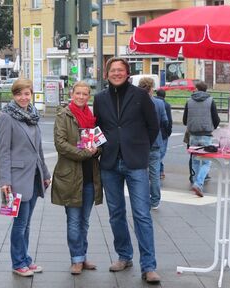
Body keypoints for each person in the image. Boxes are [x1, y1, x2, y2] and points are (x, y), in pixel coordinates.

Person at [93, 57, 161, 284]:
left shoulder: (141, 96)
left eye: (120, 70)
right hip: (110, 163)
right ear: (106, 74)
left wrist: (140, 148)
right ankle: (124, 256)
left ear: (127, 73)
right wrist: (103, 148)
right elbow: (96, 128)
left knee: (142, 214)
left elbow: (154, 126)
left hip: (135, 162)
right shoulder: (100, 98)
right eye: (112, 70)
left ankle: (149, 266)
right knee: (116, 214)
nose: (116, 73)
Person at [0, 78, 51, 277]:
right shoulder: (7, 117)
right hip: (17, 178)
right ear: (14, 95)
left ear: (32, 94)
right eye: (19, 94)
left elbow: (38, 149)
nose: (23, 97)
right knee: (20, 224)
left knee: (27, 223)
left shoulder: (33, 115)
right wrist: (5, 182)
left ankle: (25, 259)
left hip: (35, 176)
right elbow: (4, 152)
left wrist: (45, 173)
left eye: (27, 93)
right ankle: (18, 262)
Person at [51, 81, 103, 275]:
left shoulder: (91, 117)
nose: (81, 97)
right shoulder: (64, 115)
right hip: (71, 176)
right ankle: (76, 259)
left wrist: (97, 149)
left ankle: (82, 255)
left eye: (85, 94)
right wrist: (84, 154)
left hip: (90, 176)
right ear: (72, 94)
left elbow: (99, 141)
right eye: (78, 93)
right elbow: (60, 144)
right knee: (73, 220)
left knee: (84, 221)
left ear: (88, 96)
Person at [183, 81, 220, 197]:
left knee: (194, 161)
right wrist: (212, 127)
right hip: (206, 135)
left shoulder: (189, 101)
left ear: (196, 89)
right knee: (206, 162)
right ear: (205, 89)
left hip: (193, 134)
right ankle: (199, 184)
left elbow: (184, 120)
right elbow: (216, 118)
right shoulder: (210, 101)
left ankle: (195, 182)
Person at [138, 77, 168, 210]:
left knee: (140, 173)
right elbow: (165, 122)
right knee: (155, 173)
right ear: (151, 89)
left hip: (139, 143)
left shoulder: (135, 102)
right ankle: (155, 200)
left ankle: (142, 199)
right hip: (155, 142)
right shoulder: (159, 103)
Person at [155, 89, 173, 179]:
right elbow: (168, 120)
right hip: (163, 133)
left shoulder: (152, 102)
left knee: (156, 153)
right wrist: (169, 131)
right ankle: (158, 171)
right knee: (161, 153)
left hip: (154, 132)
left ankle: (161, 170)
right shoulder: (166, 105)